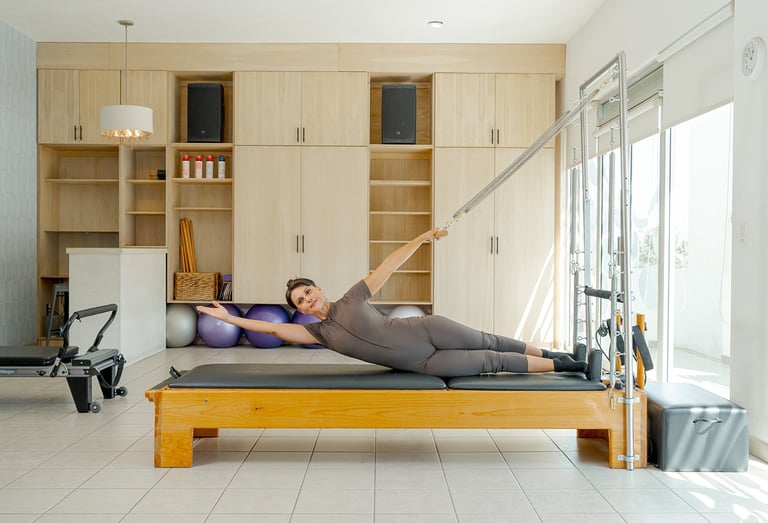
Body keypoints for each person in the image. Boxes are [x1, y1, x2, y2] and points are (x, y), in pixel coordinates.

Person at [197, 228, 587, 377]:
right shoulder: (319, 334)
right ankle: (562, 366)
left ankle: (553, 353)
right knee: (490, 361)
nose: (307, 299)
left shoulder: (352, 296)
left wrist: (421, 239)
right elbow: (269, 328)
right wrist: (229, 318)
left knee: (491, 340)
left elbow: (387, 265)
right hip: (422, 364)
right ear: (300, 310)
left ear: (318, 288)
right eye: (300, 301)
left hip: (426, 330)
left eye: (308, 291)